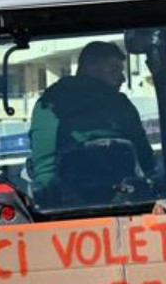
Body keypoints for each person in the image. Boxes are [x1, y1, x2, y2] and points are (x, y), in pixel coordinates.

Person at [28, 41, 159, 204]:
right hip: (123, 199)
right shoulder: (119, 103)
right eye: (114, 70)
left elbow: (42, 164)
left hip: (61, 204)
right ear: (90, 68)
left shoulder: (45, 105)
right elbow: (145, 158)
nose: (123, 78)